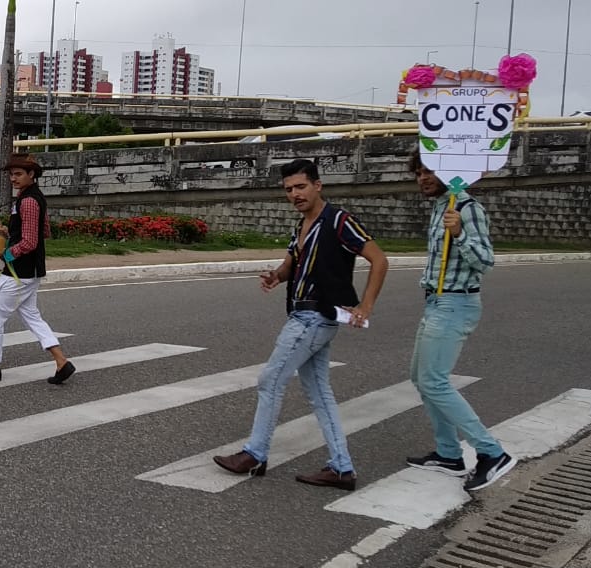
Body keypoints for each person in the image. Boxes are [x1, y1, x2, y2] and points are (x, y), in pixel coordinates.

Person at [213, 159, 388, 491]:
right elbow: (293, 261)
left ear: (318, 185)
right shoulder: (303, 225)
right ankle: (341, 468)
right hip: (303, 312)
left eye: (301, 187)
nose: (295, 194)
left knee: (270, 380)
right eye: (289, 189)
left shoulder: (339, 221)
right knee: (319, 393)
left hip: (315, 316)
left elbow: (379, 260)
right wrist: (277, 276)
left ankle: (255, 454)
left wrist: (366, 306)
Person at [404, 151, 516, 492]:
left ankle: (491, 452)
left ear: (449, 173)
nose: (422, 178)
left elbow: (485, 261)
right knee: (420, 378)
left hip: (456, 303)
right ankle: (449, 454)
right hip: (437, 301)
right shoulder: (441, 206)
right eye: (419, 172)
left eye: (429, 172)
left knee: (434, 380)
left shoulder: (468, 210)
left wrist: (461, 234)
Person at [0, 155, 74, 384]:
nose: (13, 179)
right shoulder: (31, 198)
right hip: (29, 272)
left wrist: (2, 254)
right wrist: (9, 232)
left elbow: (31, 241)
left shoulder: (29, 201)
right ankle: (61, 362)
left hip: (18, 273)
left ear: (32, 175)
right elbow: (42, 232)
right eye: (11, 174)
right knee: (32, 317)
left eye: (18, 174)